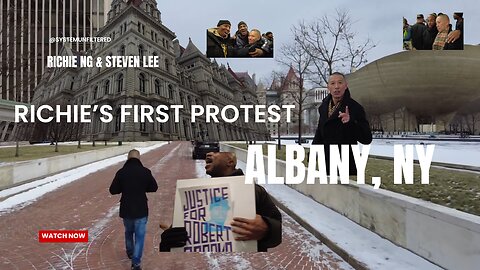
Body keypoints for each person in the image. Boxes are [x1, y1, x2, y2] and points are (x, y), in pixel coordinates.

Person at [159, 152, 282, 252]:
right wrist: (169, 240)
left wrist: (267, 228)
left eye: (216, 152)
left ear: (230, 162)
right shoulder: (199, 192)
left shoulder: (255, 191)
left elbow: (278, 228)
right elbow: (184, 231)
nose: (208, 153)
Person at [312, 72, 372, 175]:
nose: (336, 87)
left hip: (346, 165)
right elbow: (320, 131)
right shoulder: (323, 107)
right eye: (333, 83)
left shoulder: (355, 108)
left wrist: (350, 122)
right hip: (327, 163)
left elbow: (367, 138)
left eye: (340, 83)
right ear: (328, 87)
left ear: (346, 86)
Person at [109, 149, 158, 270]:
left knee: (128, 232)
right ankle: (136, 262)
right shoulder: (145, 171)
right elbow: (154, 187)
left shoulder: (121, 172)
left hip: (126, 208)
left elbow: (113, 190)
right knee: (140, 236)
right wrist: (142, 188)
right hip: (141, 208)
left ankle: (130, 252)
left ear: (128, 158)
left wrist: (124, 187)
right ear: (139, 158)